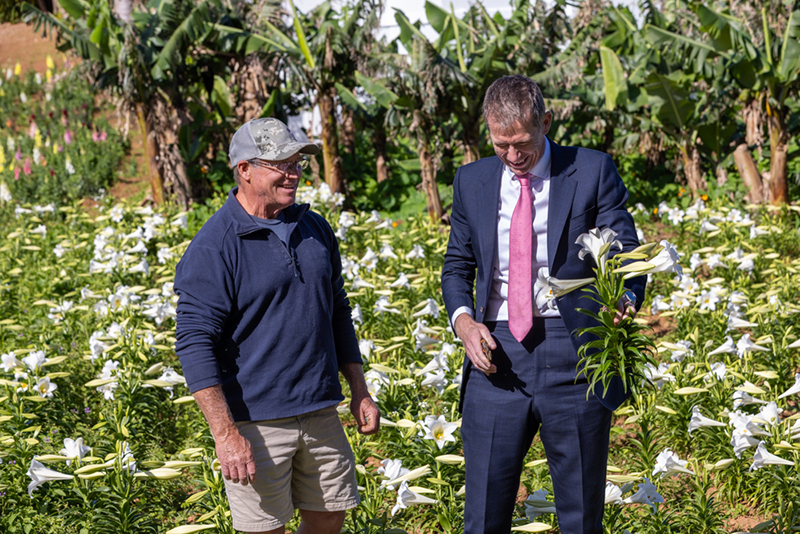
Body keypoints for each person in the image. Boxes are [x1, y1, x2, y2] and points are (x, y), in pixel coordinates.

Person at [441, 75, 646, 534]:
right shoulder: (471, 180)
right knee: (484, 516)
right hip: (494, 353)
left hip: (572, 352)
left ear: (546, 122)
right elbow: (457, 265)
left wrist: (626, 299)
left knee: (579, 516)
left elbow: (626, 253)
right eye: (501, 145)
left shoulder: (591, 170)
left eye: (522, 143)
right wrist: (464, 323)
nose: (513, 157)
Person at [174, 117, 379, 534]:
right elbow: (194, 343)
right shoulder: (216, 245)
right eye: (280, 164)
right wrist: (225, 433)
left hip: (321, 409)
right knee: (265, 528)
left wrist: (358, 389)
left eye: (297, 162)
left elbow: (337, 310)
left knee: (329, 517)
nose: (293, 173)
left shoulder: (314, 228)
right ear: (244, 169)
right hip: (256, 421)